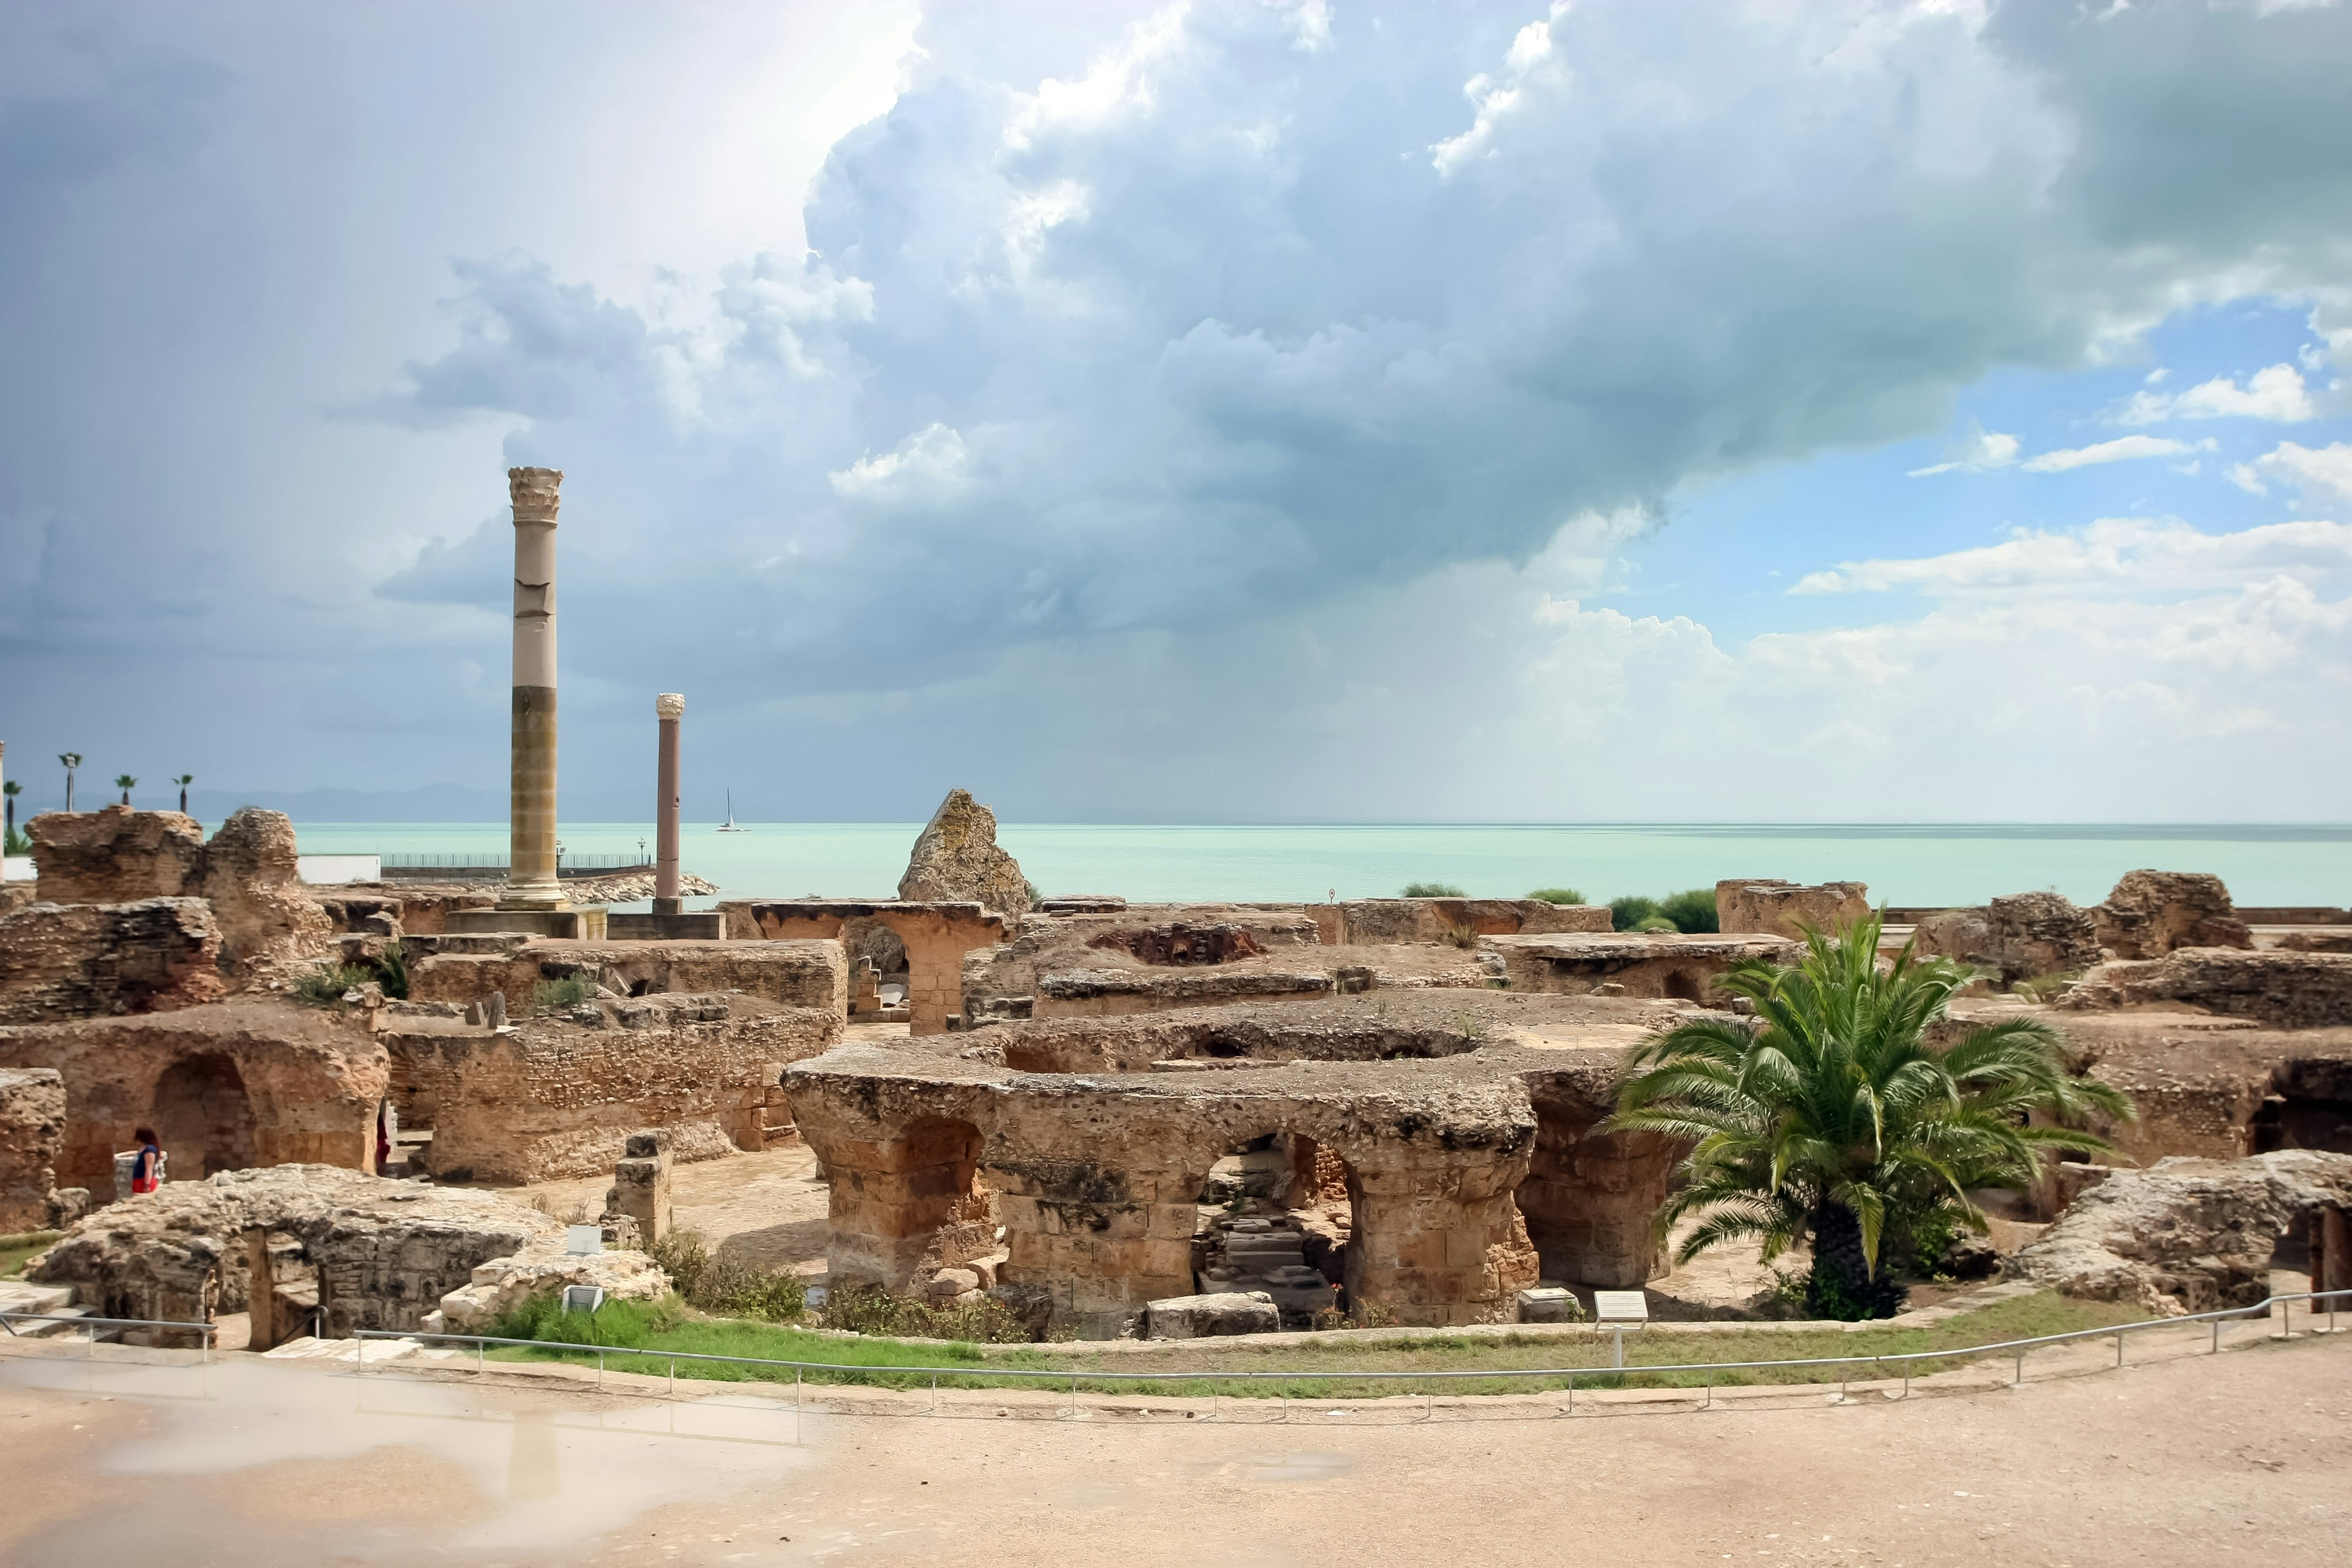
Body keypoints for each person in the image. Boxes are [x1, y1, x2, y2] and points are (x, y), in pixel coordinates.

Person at [130, 1128, 164, 1194]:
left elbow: (149, 1168)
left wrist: (147, 1186)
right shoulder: (145, 1148)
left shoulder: (150, 1150)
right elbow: (137, 1153)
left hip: (144, 1182)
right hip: (139, 1181)